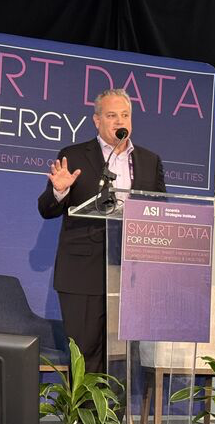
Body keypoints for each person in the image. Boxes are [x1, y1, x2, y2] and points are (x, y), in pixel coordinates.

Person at [38, 89, 165, 375]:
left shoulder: (149, 161)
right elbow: (46, 209)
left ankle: (112, 419)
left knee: (121, 359)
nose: (119, 120)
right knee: (85, 354)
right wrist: (59, 191)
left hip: (129, 273)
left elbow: (159, 211)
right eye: (111, 115)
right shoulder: (73, 156)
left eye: (125, 115)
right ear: (97, 120)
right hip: (83, 272)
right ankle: (84, 420)